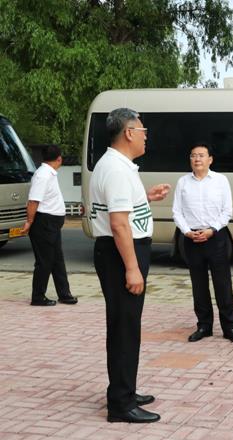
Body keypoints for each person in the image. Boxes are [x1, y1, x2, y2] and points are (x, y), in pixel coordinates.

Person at [89, 108, 171, 423]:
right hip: (121, 254)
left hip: (119, 251)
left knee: (125, 327)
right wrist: (132, 268)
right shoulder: (117, 169)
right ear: (128, 133)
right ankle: (121, 405)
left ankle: (124, 390)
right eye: (143, 130)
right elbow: (119, 224)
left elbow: (121, 209)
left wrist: (145, 197)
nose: (146, 136)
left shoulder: (117, 165)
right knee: (124, 329)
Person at [173, 142, 233, 344]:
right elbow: (177, 211)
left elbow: (227, 211)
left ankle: (229, 327)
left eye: (201, 155)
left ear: (210, 159)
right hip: (192, 238)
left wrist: (212, 230)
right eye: (193, 155)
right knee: (199, 285)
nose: (197, 159)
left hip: (216, 237)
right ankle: (204, 326)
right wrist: (187, 231)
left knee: (222, 284)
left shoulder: (220, 180)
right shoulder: (183, 182)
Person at [22, 145, 77, 306]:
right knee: (44, 261)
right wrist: (29, 222)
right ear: (59, 159)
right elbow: (33, 201)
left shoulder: (49, 173)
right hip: (43, 222)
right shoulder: (43, 175)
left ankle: (64, 294)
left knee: (57, 259)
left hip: (51, 223)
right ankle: (38, 297)